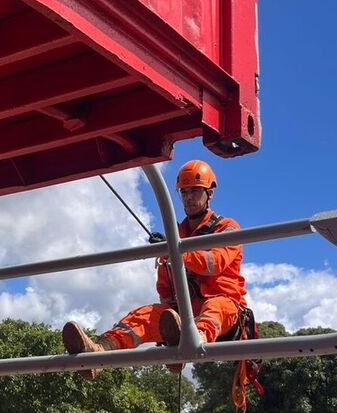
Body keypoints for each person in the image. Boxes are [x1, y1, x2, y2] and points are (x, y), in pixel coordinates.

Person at [62, 160, 246, 377]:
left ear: (210, 193)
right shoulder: (175, 232)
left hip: (226, 307)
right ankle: (98, 353)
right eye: (184, 192)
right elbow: (165, 284)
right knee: (143, 316)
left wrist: (176, 251)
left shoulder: (227, 227)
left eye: (195, 191)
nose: (188, 197)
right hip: (184, 312)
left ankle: (190, 343)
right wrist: (168, 313)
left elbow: (213, 263)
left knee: (215, 308)